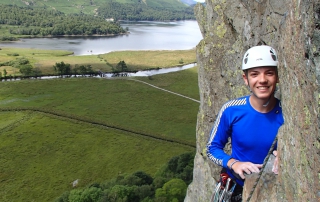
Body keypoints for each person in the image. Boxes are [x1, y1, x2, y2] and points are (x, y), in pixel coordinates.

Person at [206, 45, 284, 201]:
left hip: (271, 189)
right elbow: (211, 149)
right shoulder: (231, 110)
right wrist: (234, 163)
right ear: (245, 79)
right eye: (254, 74)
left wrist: (286, 155)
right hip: (235, 187)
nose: (262, 80)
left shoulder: (286, 114)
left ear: (277, 77)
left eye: (269, 73)